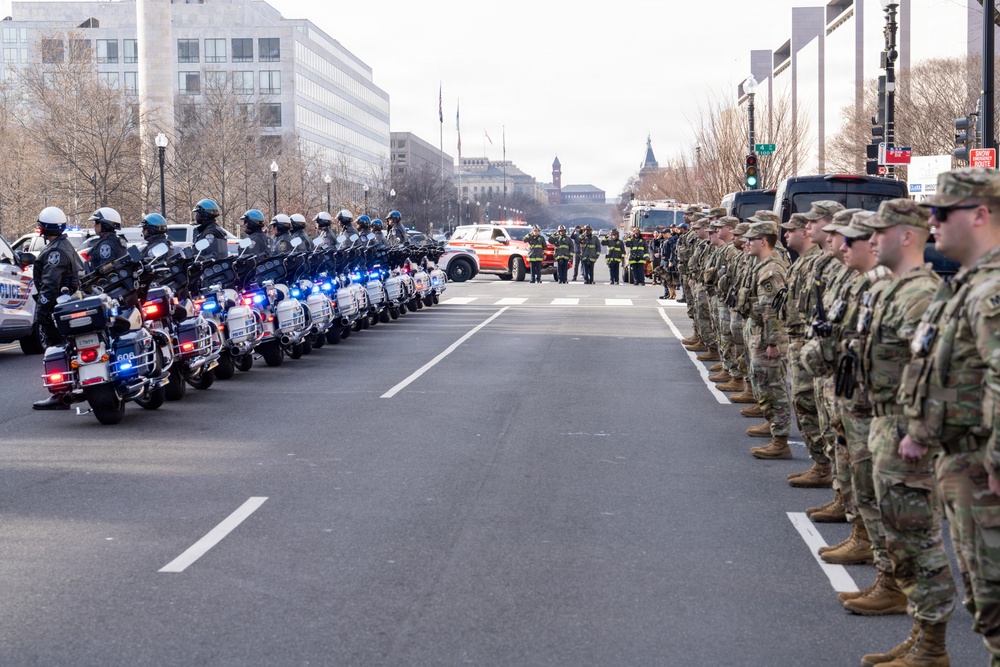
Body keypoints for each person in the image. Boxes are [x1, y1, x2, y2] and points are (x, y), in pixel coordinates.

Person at [897, 168, 1000, 665]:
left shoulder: (991, 290)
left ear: (980, 214)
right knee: (985, 604)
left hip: (984, 469)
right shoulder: (967, 285)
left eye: (941, 213)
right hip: (963, 462)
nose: (931, 222)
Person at [848, 199, 957, 663]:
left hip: (907, 432)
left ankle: (932, 645)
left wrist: (921, 432)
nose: (871, 240)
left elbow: (938, 373)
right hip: (885, 423)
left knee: (918, 538)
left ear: (908, 236)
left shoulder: (920, 295)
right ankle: (918, 631)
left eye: (880, 231)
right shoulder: (892, 288)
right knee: (899, 533)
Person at [742, 216, 793, 459]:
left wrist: (772, 342)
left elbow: (773, 309)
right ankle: (772, 425)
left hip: (769, 336)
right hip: (760, 332)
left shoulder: (772, 269)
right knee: (763, 382)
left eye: (751, 239)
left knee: (774, 386)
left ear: (763, 241)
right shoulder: (762, 265)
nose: (746, 242)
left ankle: (780, 440)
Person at [31, 206, 83, 410]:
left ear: (44, 228)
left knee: (55, 349)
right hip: (67, 303)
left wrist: (42, 311)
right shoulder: (65, 245)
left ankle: (60, 395)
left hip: (57, 307)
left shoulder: (55, 251)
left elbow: (50, 283)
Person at [85, 207, 126, 273]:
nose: (94, 226)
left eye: (97, 222)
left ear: (106, 225)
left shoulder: (106, 245)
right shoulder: (117, 241)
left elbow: (105, 272)